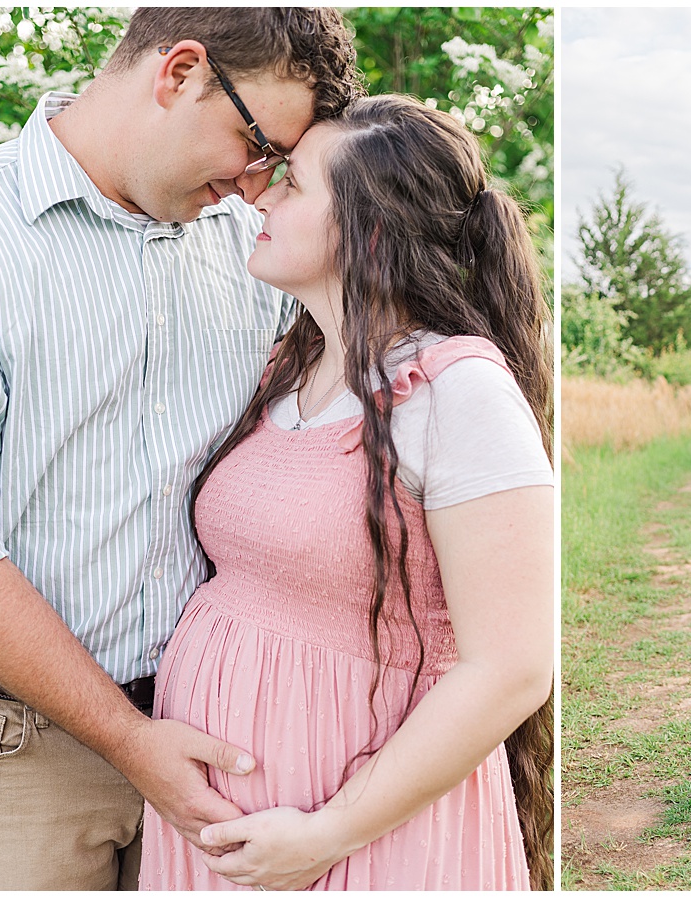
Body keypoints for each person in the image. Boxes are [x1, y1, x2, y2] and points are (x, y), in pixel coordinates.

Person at [0, 8, 357, 889]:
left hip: (229, 741)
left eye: (278, 167)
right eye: (256, 146)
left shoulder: (255, 244)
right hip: (15, 754)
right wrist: (129, 740)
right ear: (180, 73)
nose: (255, 185)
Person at [136, 93, 555, 891]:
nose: (260, 196)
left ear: (369, 231)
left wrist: (327, 833)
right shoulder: (286, 368)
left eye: (293, 183)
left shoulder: (457, 391)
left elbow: (512, 668)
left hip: (362, 832)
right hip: (226, 833)